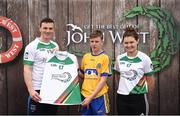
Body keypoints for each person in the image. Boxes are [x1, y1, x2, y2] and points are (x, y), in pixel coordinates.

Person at [114, 27, 155, 115]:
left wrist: (142, 92)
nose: (129, 45)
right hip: (121, 98)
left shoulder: (145, 59)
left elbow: (150, 80)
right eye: (126, 43)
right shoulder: (119, 58)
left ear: (137, 41)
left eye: (131, 42)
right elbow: (118, 76)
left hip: (138, 98)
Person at [23, 17, 59, 115]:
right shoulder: (32, 46)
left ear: (53, 30)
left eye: (50, 28)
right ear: (40, 29)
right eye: (45, 28)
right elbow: (27, 69)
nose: (47, 31)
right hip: (37, 90)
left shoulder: (55, 46)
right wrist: (31, 90)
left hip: (52, 89)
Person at [79, 30, 110, 115]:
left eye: (97, 41)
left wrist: (91, 97)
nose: (94, 44)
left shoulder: (105, 58)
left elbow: (103, 81)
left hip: (99, 96)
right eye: (92, 41)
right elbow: (82, 75)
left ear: (102, 42)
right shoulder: (86, 57)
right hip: (85, 95)